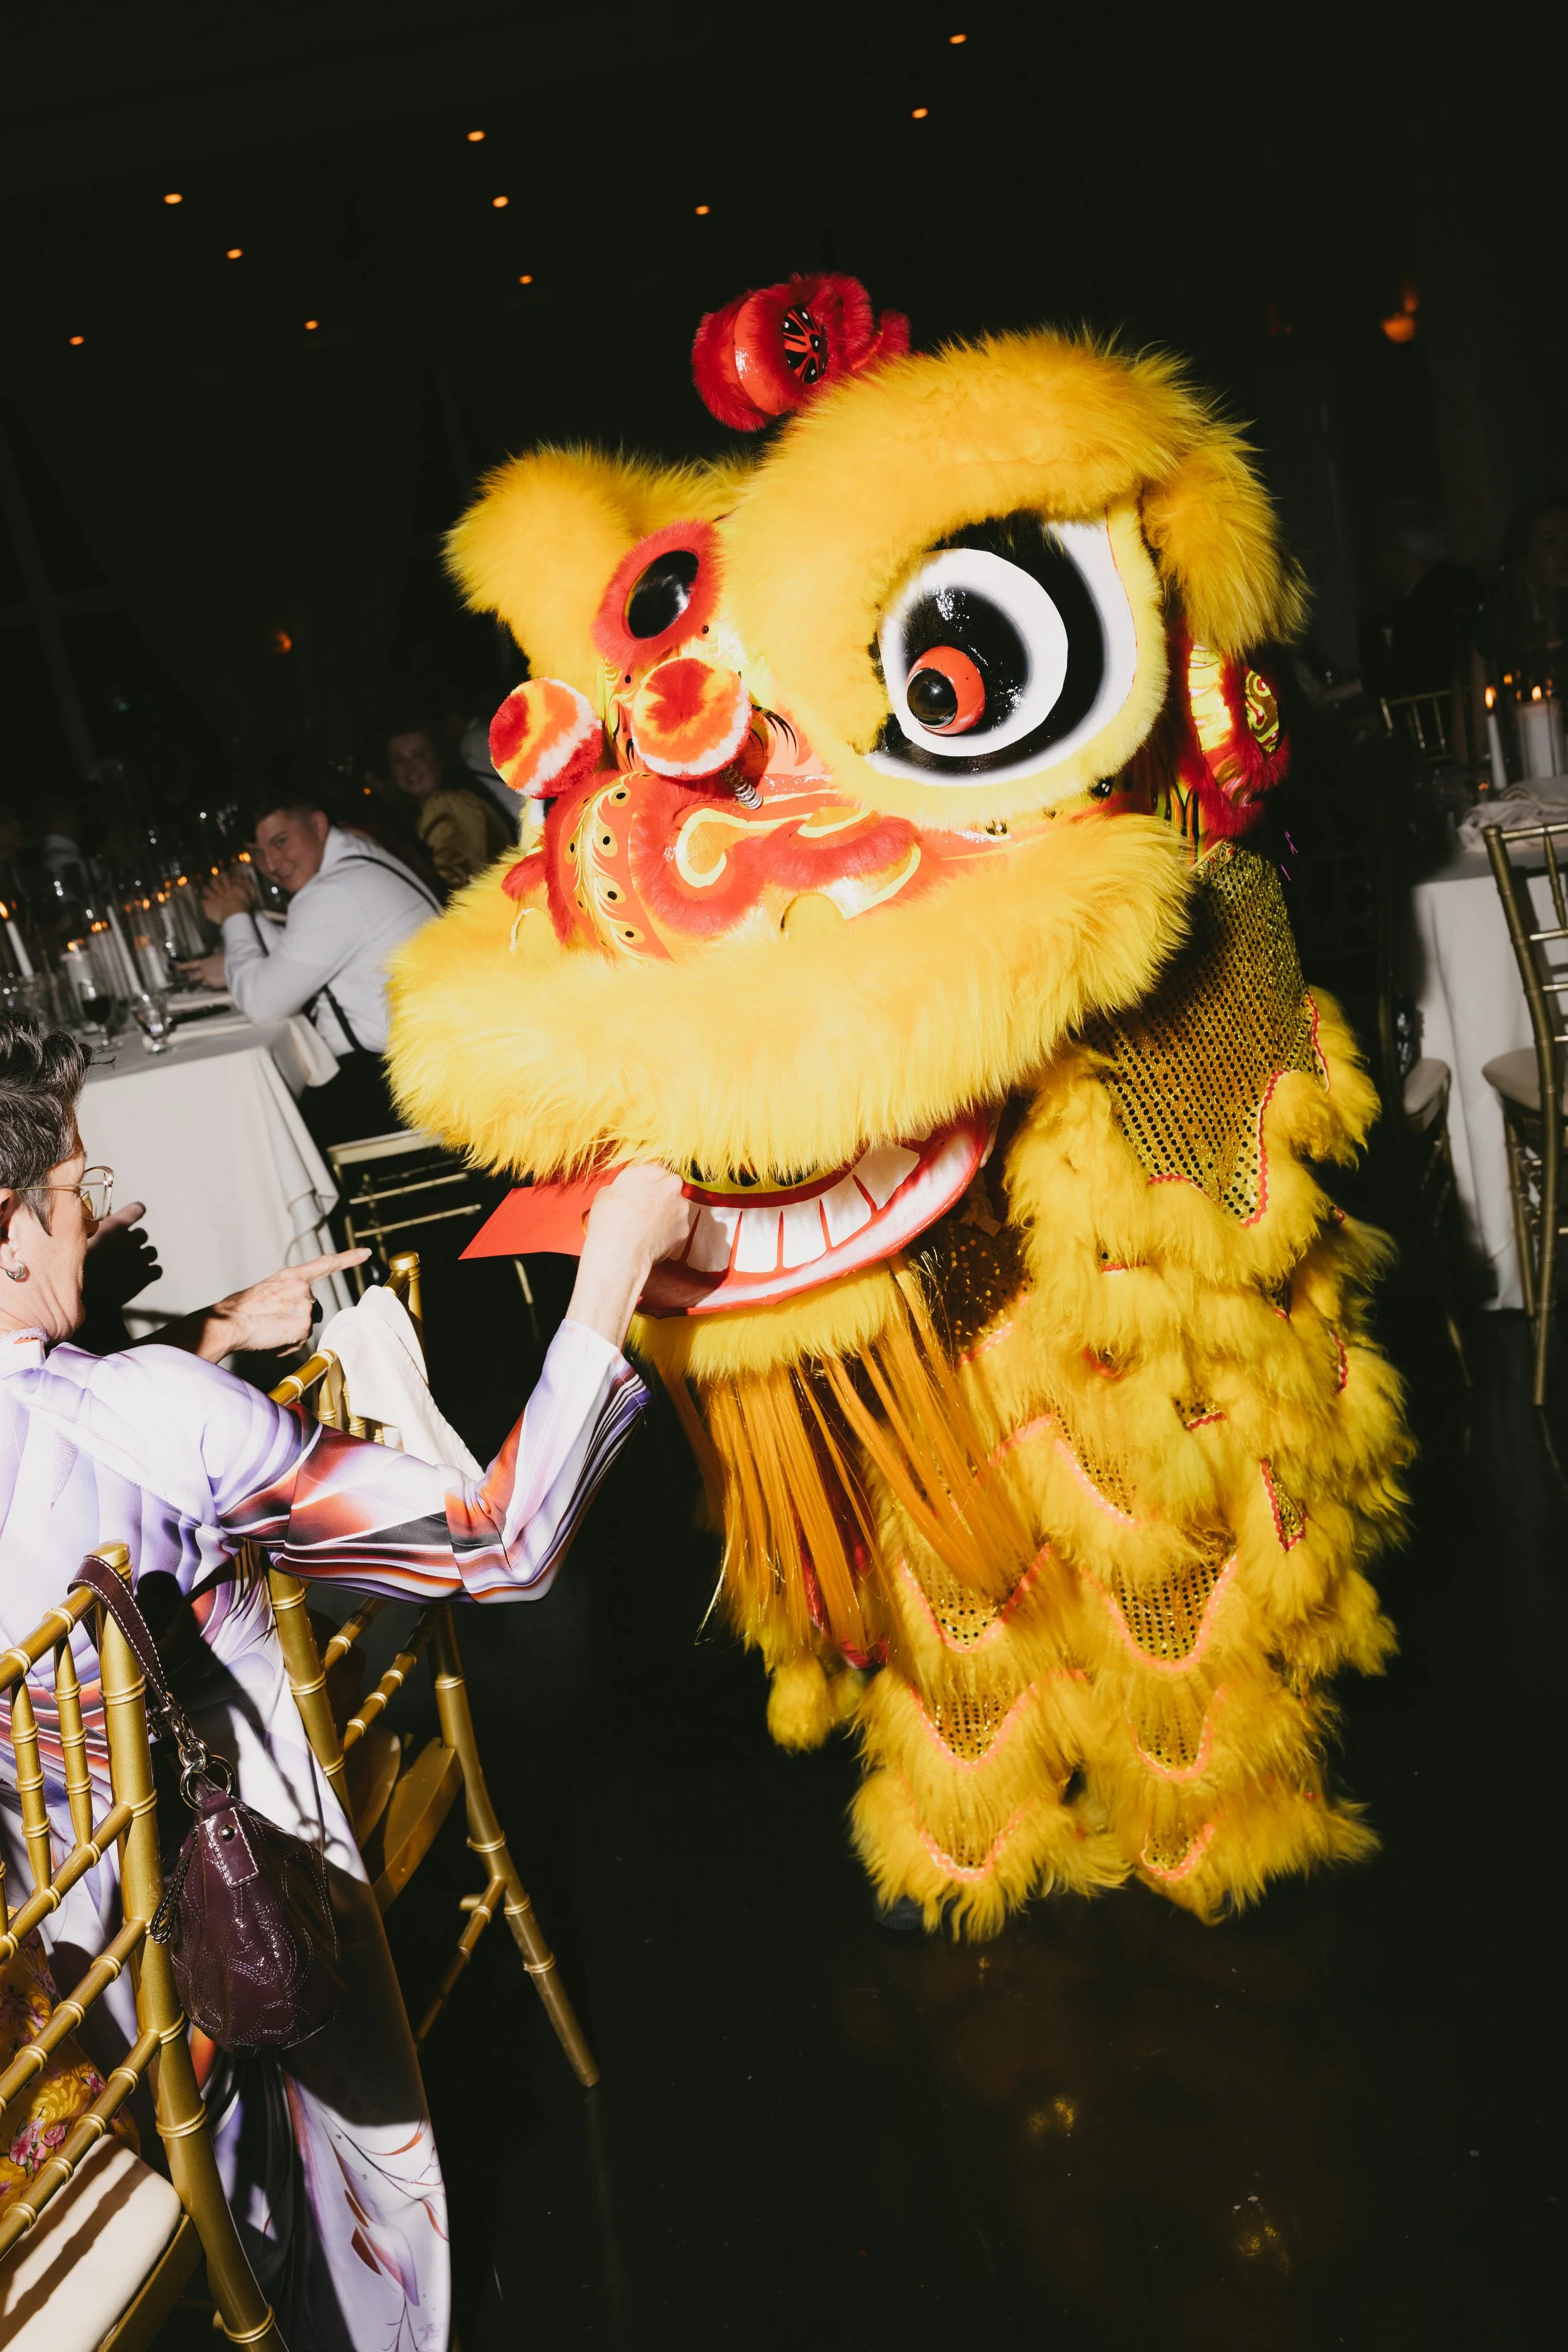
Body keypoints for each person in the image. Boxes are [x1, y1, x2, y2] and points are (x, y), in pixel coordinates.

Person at [0, 1018, 693, 2351]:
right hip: (253, 1899)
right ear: (10, 1230)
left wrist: (208, 1340)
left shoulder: (136, 1404)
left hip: (78, 1975)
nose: (99, 1215)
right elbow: (500, 1542)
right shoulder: (149, 1411)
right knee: (364, 2141)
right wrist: (609, 1269)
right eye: (80, 1188)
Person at [185, 783, 442, 1147]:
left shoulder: (333, 893)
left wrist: (234, 918)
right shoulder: (361, 855)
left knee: (255, 1131)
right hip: (431, 1065)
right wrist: (244, 920)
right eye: (258, 853)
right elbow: (310, 952)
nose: (271, 865)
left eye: (280, 842)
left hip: (397, 1088)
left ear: (318, 826)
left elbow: (262, 1005)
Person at [384, 720, 513, 891]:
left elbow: (452, 887)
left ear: (439, 759)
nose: (409, 768)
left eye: (419, 755)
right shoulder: (458, 800)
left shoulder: (444, 805)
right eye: (398, 760)